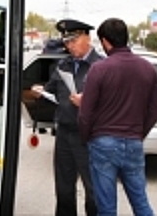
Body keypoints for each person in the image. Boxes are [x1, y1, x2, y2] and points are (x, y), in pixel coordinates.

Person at [78, 17, 157, 216]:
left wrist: (86, 137)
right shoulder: (148, 69)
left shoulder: (99, 69)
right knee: (141, 203)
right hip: (134, 143)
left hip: (103, 144)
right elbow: (154, 111)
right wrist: (138, 134)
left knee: (106, 208)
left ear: (106, 42)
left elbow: (86, 112)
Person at [31, 18, 103, 216]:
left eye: (73, 41)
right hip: (64, 134)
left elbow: (111, 103)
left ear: (87, 38)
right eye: (67, 42)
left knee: (94, 192)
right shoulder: (63, 65)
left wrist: (86, 102)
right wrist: (41, 92)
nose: (70, 46)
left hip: (90, 137)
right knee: (63, 191)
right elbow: (52, 91)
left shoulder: (101, 66)